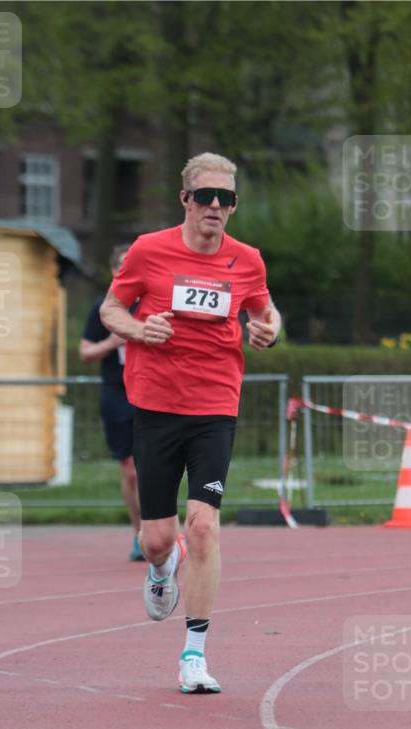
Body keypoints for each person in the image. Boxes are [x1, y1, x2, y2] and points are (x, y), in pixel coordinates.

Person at [100, 152, 280, 694]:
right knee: (158, 538)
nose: (216, 208)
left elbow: (265, 312)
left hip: (215, 408)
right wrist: (136, 328)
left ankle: (194, 655)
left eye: (226, 199)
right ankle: (161, 566)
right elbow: (110, 308)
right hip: (155, 406)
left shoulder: (247, 260)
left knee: (204, 526)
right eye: (206, 197)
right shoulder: (149, 250)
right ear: (186, 199)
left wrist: (269, 330)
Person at [79, 244, 144, 561]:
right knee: (131, 471)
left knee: (154, 466)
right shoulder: (102, 308)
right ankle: (139, 533)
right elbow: (85, 353)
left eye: (129, 264)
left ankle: (160, 530)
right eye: (119, 265)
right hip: (117, 394)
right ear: (112, 270)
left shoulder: (149, 303)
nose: (124, 269)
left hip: (148, 391)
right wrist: (111, 341)